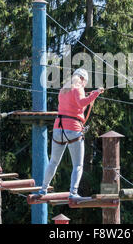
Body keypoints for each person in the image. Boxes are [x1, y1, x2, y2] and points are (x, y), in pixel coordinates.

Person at [38, 68, 104, 198]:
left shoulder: (63, 89)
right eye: (85, 83)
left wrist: (89, 97)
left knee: (53, 162)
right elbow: (80, 103)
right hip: (73, 129)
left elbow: (74, 107)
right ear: (83, 79)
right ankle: (73, 192)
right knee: (78, 165)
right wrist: (95, 94)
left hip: (58, 128)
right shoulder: (78, 88)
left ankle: (43, 189)